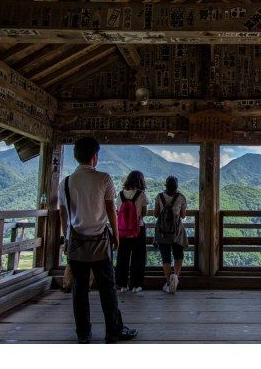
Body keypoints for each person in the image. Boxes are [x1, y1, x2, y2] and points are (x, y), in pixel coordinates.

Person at [58, 137, 138, 344]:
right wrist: (116, 234)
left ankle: (83, 334)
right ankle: (113, 331)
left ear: (76, 156)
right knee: (107, 288)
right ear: (95, 156)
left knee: (80, 290)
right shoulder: (104, 178)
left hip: (76, 242)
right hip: (101, 242)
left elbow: (63, 213)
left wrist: (65, 237)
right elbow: (111, 208)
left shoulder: (65, 182)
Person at [115, 170, 149, 293]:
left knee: (122, 256)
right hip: (138, 229)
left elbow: (118, 212)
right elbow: (144, 213)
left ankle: (121, 284)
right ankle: (136, 285)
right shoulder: (141, 195)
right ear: (141, 180)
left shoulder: (120, 194)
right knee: (138, 257)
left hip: (123, 230)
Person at [153, 175, 188, 294]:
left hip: (163, 233)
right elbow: (183, 215)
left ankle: (169, 282)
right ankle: (175, 279)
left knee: (165, 258)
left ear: (166, 185)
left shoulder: (159, 197)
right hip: (177, 232)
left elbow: (156, 214)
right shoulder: (181, 197)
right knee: (178, 255)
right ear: (177, 186)